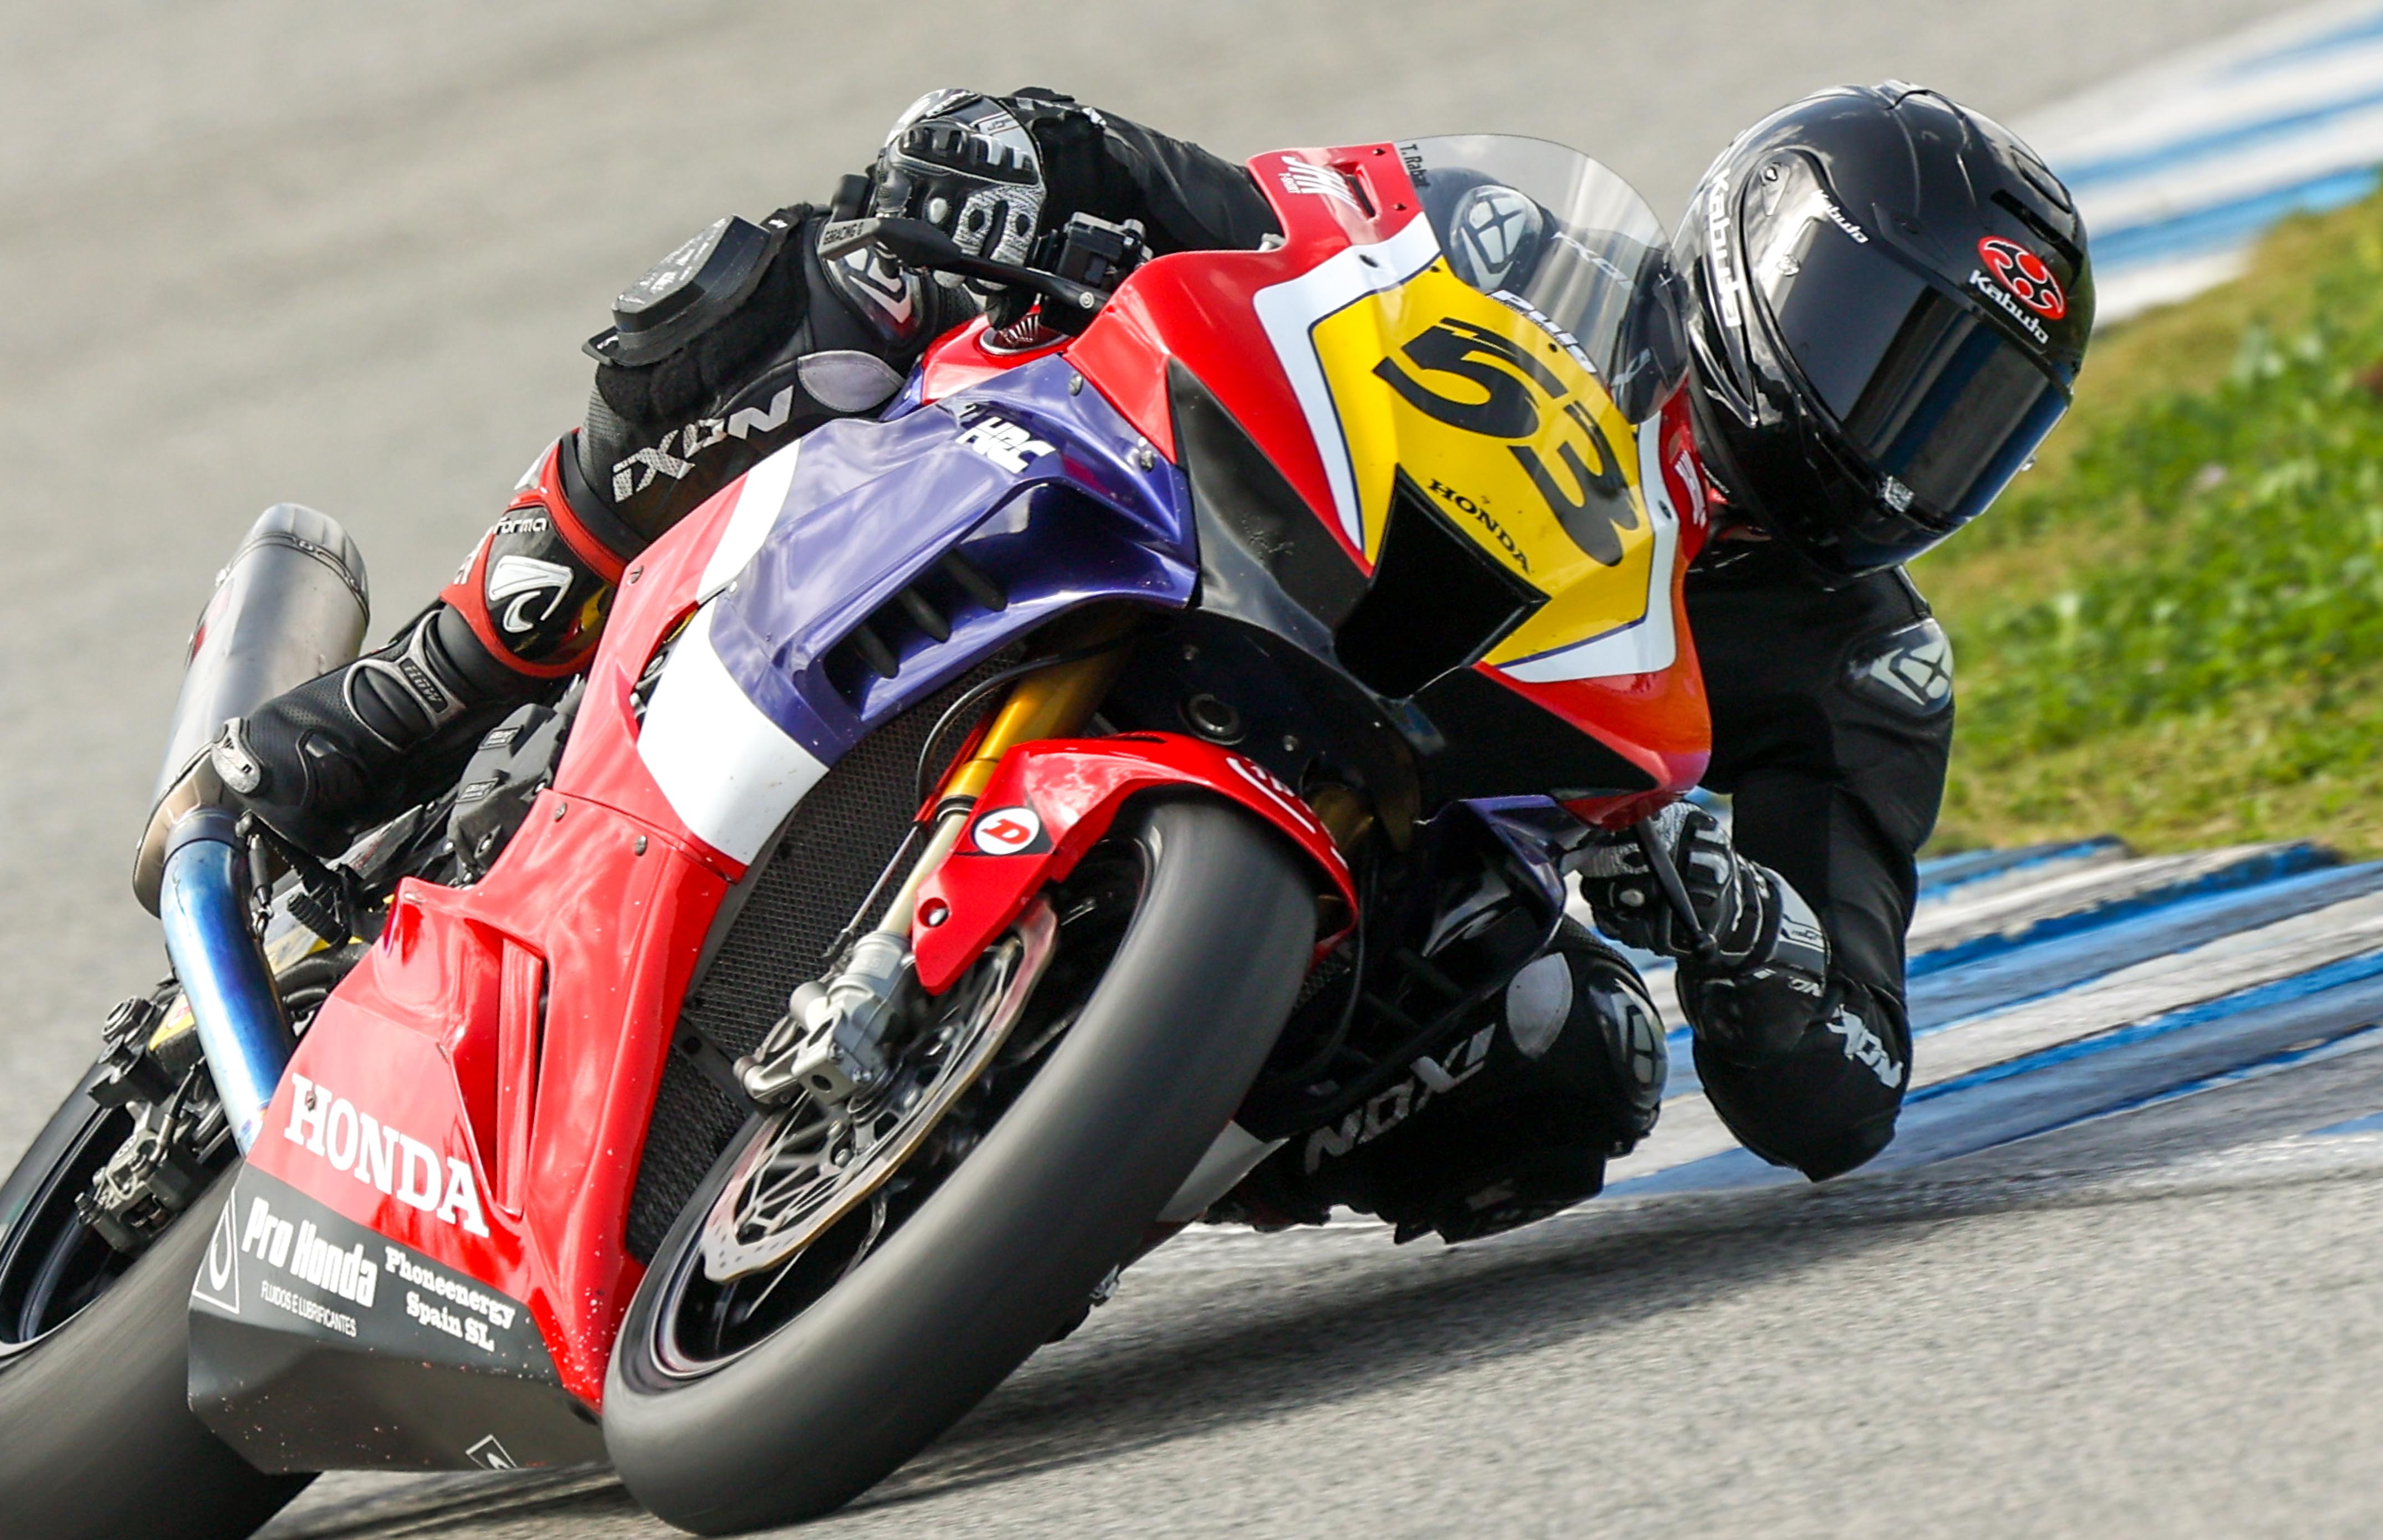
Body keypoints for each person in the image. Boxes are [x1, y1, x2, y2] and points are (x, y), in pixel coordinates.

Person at [196, 81, 2092, 1199]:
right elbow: (1233, 208)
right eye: (1887, 345)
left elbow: (1846, 1080)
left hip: (1416, 829)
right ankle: (419, 690)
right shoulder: (1521, 247)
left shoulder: (1852, 668)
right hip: (1186, 540)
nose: (1892, 429)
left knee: (1569, 1059)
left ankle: (1048, 1177)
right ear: (1770, 249)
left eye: (1960, 416)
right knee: (820, 296)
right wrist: (1032, 153)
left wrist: (1751, 936)